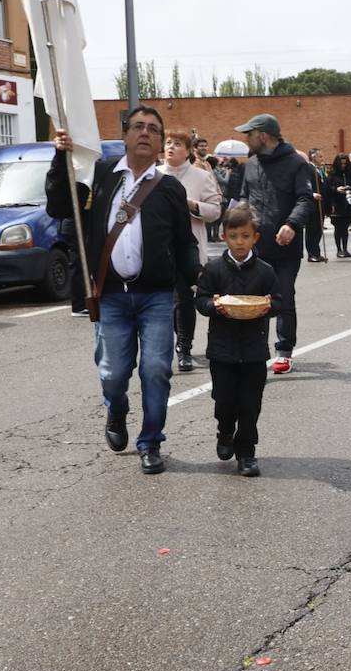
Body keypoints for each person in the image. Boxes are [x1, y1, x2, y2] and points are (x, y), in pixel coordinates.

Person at [45, 105, 199, 474]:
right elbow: (59, 205)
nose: (145, 133)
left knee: (156, 369)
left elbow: (184, 242)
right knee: (113, 372)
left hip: (157, 297)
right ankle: (116, 411)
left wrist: (195, 281)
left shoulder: (170, 188)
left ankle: (150, 442)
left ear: (161, 142)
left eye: (153, 129)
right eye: (138, 127)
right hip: (110, 296)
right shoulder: (99, 176)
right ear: (126, 134)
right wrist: (59, 157)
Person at [194, 204, 279, 477]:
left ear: (255, 237)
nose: (239, 242)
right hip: (222, 350)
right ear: (224, 237)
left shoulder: (265, 271)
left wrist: (269, 305)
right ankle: (224, 431)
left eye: (245, 236)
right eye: (234, 236)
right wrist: (213, 304)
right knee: (224, 400)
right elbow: (201, 299)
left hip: (254, 350)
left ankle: (247, 453)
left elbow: (279, 301)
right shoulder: (214, 269)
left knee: (251, 403)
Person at [235, 113, 316, 375]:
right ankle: (256, 351)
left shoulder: (296, 164)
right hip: (256, 245)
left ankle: (284, 351)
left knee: (282, 296)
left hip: (285, 246)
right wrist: (237, 225)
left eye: (249, 134)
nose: (246, 139)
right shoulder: (250, 164)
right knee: (255, 300)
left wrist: (291, 224)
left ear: (263, 135)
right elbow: (244, 197)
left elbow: (305, 199)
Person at [160, 129, 223, 371]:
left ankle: (184, 347)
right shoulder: (153, 175)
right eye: (167, 143)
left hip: (188, 247)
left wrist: (191, 205)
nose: (171, 147)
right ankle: (174, 342)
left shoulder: (200, 176)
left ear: (187, 150)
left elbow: (215, 211)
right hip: (159, 248)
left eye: (177, 143)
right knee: (168, 301)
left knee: (184, 298)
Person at [325, 152, 351, 258]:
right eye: (341, 164)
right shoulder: (332, 174)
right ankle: (339, 249)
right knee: (338, 228)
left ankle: (345, 249)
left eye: (345, 163)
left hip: (348, 203)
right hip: (337, 204)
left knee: (345, 228)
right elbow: (328, 188)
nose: (343, 166)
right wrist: (336, 189)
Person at [304, 148, 328, 262]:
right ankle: (311, 253)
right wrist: (312, 194)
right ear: (313, 156)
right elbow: (305, 184)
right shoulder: (308, 168)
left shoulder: (320, 170)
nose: (322, 159)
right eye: (320, 157)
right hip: (312, 203)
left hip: (321, 203)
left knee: (319, 229)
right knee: (312, 229)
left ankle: (316, 252)